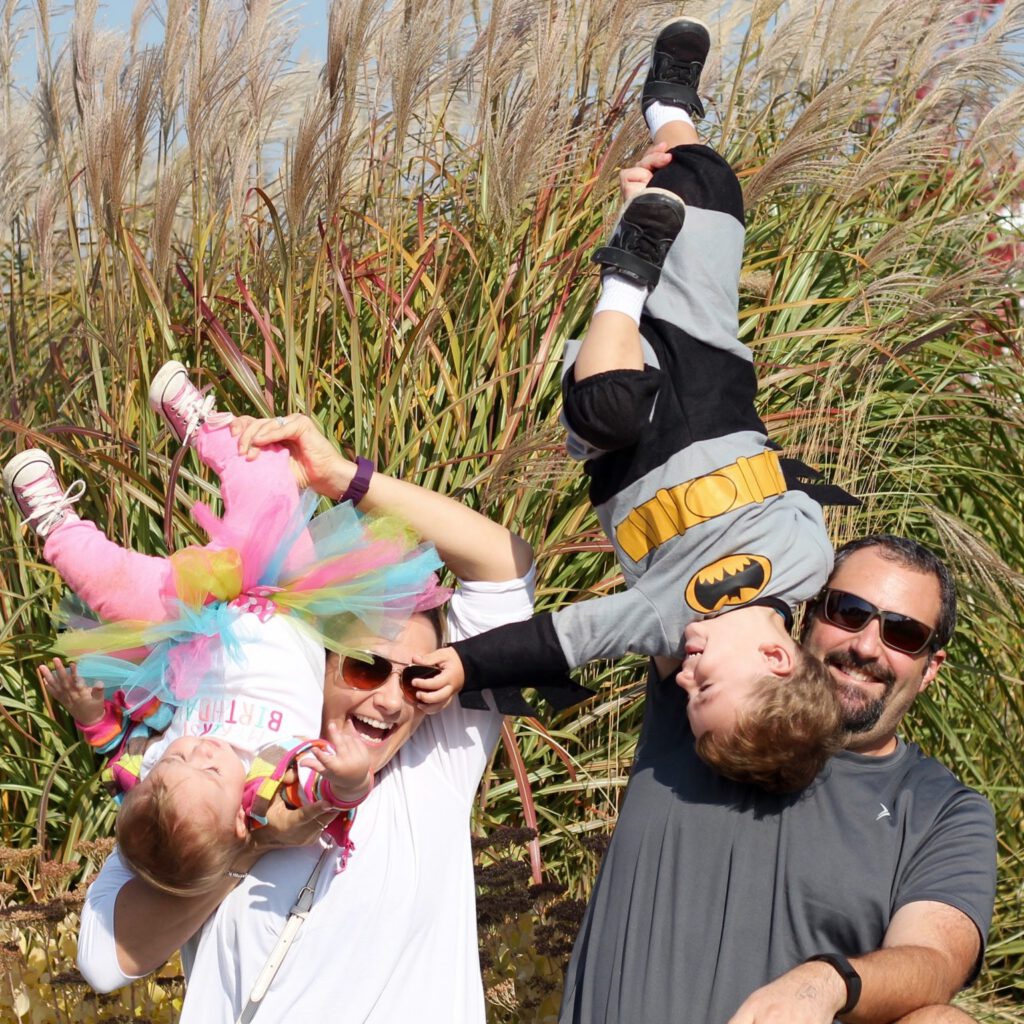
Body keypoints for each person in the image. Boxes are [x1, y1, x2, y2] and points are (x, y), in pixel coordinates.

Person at [555, 26, 997, 1024]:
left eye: (902, 631)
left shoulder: (938, 807)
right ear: (793, 623)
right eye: (848, 610)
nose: (867, 642)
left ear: (930, 667)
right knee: (702, 201)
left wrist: (823, 982)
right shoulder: (701, 690)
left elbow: (932, 962)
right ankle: (674, 120)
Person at [421, 18, 852, 794]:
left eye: (686, 697)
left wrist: (464, 663)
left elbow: (565, 640)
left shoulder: (664, 622)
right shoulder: (811, 562)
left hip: (627, 426)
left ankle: (625, 271)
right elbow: (797, 487)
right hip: (713, 377)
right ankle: (669, 107)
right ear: (778, 656)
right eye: (704, 688)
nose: (683, 679)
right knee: (710, 190)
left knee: (610, 408)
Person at [75, 411, 538, 1022]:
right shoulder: (207, 775)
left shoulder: (436, 758)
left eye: (418, 678)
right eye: (366, 668)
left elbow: (506, 565)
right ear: (318, 663)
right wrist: (254, 842)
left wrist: (341, 477)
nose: (391, 700)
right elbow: (105, 959)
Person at [4, 362, 443, 895]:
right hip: (289, 592)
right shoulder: (267, 783)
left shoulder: (157, 775)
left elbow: (120, 754)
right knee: (272, 493)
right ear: (239, 821)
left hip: (197, 617)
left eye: (179, 758)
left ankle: (56, 525)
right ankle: (214, 432)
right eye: (209, 772)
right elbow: (318, 797)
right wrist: (348, 781)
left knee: (117, 588)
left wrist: (92, 716)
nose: (198, 751)